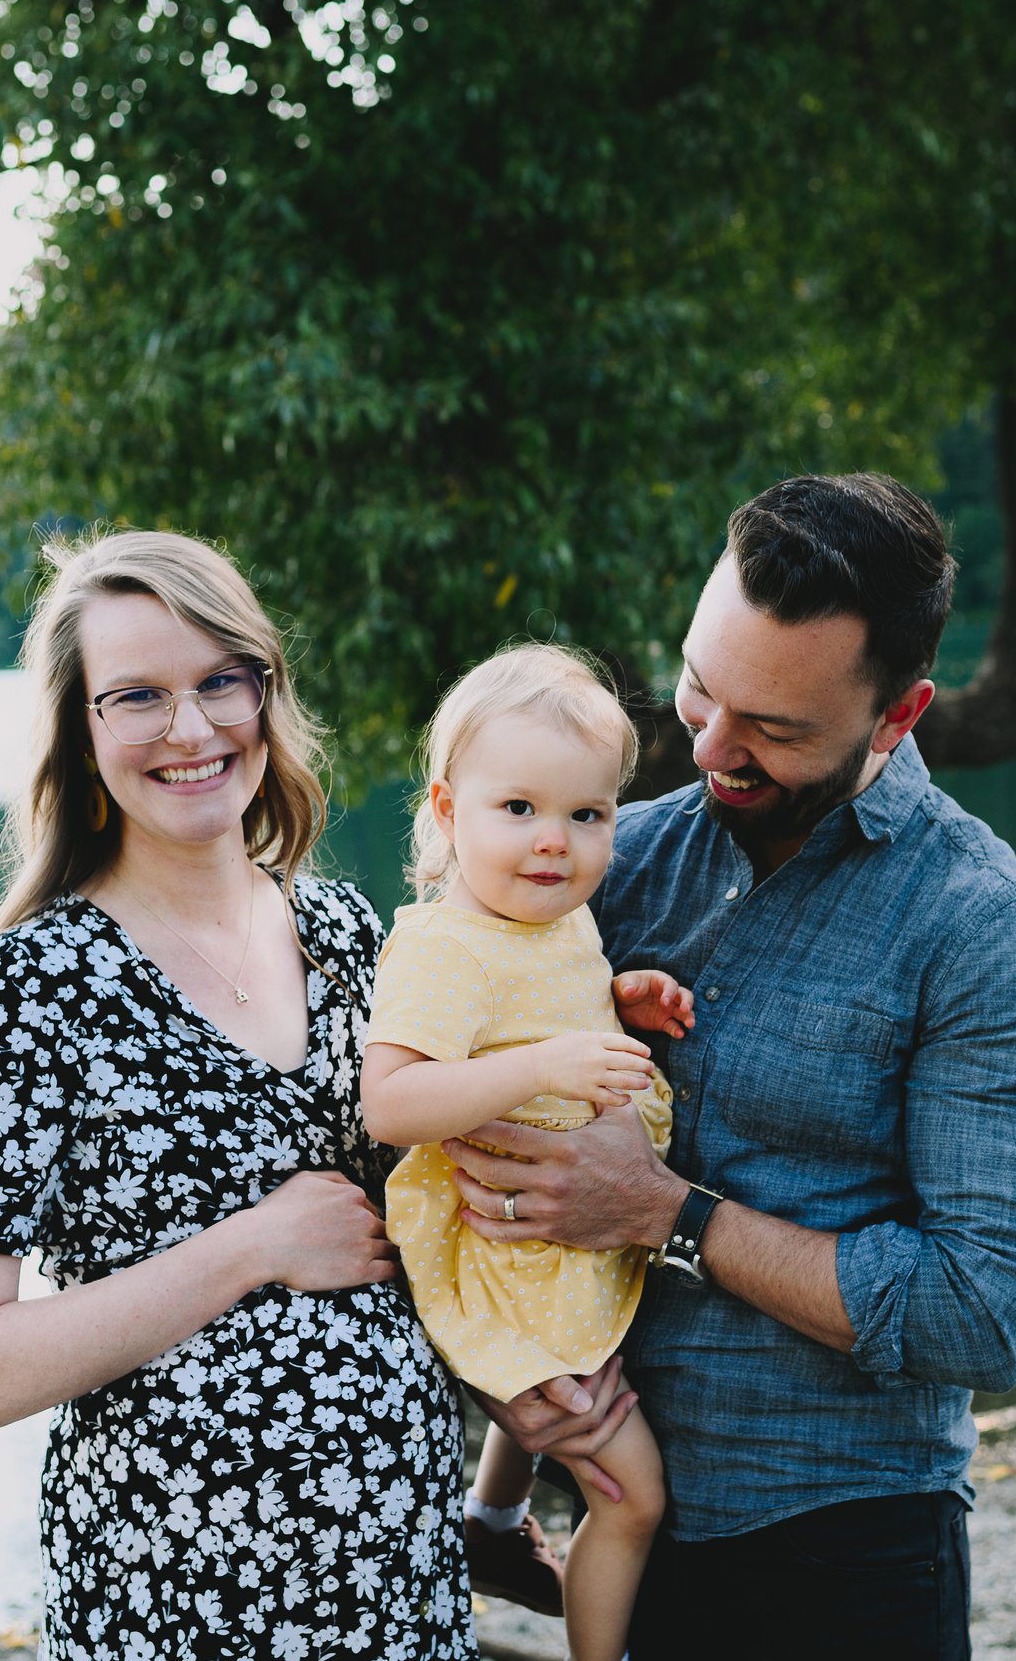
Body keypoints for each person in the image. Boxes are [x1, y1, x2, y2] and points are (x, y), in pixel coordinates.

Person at [446, 475, 1016, 1659]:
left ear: (897, 717)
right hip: (615, 1521)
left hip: (842, 1550)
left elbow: (980, 1312)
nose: (707, 745)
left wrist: (664, 1212)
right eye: (700, 685)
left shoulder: (988, 929)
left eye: (775, 729)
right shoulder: (610, 859)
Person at [0, 530, 475, 1661]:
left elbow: (414, 1227)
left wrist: (530, 1409)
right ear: (80, 730)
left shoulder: (350, 933)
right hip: (175, 1609)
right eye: (137, 697)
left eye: (223, 680)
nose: (193, 728)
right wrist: (253, 1245)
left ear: (268, 690)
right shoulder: (21, 991)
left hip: (399, 1584)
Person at [357, 644, 692, 1661]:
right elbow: (393, 1101)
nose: (554, 843)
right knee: (632, 1495)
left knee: (604, 1456)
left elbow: (534, 1001)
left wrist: (613, 998)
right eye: (519, 811)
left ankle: (492, 1524)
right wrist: (549, 1054)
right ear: (449, 809)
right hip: (508, 1262)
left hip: (564, 1238)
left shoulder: (544, 916)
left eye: (587, 816)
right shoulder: (441, 945)